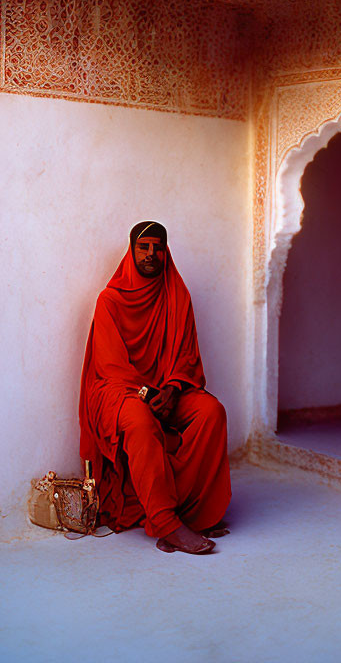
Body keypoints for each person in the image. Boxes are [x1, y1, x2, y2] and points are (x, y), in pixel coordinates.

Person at [79, 221, 231, 554]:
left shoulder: (177, 295)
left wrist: (174, 388)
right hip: (117, 391)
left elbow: (187, 357)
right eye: (143, 247)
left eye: (157, 247)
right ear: (131, 251)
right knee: (139, 420)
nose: (151, 254)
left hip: (168, 388)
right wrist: (149, 395)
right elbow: (110, 367)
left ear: (166, 251)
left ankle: (191, 512)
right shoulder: (110, 300)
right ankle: (166, 523)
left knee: (211, 412)